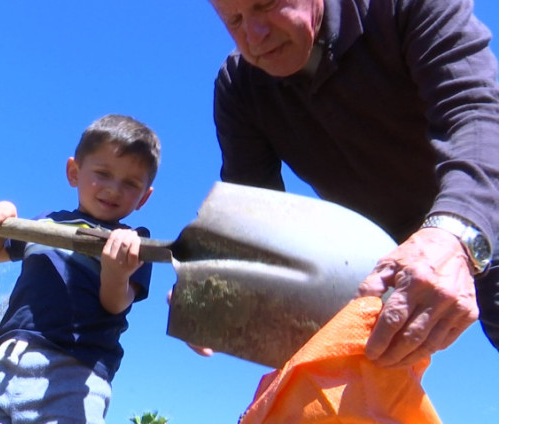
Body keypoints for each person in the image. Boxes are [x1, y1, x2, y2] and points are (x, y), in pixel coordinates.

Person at [190, 0, 499, 368]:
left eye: (267, 5)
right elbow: (255, 219)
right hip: (388, 253)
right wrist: (216, 283)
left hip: (486, 200)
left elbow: (473, 113)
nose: (254, 36)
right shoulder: (239, 87)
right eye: (235, 20)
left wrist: (454, 232)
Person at [0, 114, 161, 424]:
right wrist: (0, 222)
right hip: (6, 359)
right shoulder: (46, 223)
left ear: (144, 197)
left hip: (74, 369)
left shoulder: (132, 242)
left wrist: (116, 271)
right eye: (103, 173)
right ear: (74, 172)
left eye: (130, 183)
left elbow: (116, 303)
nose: (114, 189)